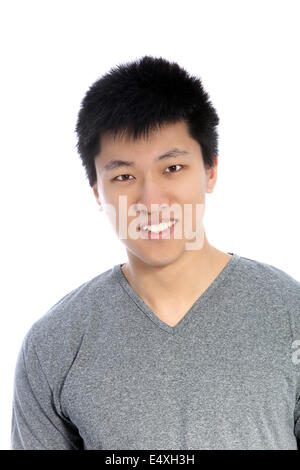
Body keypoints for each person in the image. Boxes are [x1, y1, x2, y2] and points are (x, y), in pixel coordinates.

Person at [10, 55, 300, 450]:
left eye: (173, 168)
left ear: (210, 169)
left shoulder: (289, 313)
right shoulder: (52, 347)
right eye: (124, 176)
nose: (151, 200)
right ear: (98, 191)